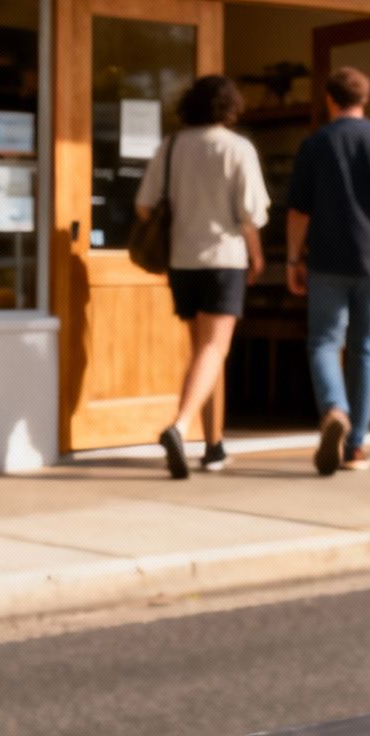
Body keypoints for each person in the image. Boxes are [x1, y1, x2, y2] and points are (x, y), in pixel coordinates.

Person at [136, 75, 269, 479]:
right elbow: (252, 215)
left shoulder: (172, 145)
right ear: (230, 107)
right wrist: (257, 256)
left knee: (205, 353)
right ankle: (179, 426)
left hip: (182, 261)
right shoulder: (237, 148)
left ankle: (214, 445)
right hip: (223, 260)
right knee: (214, 350)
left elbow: (144, 206)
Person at [286, 66, 370, 476]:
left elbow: (298, 211)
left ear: (329, 98)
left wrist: (293, 258)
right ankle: (355, 444)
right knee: (366, 349)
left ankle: (334, 409)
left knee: (324, 342)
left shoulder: (315, 145)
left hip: (326, 259)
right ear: (365, 98)